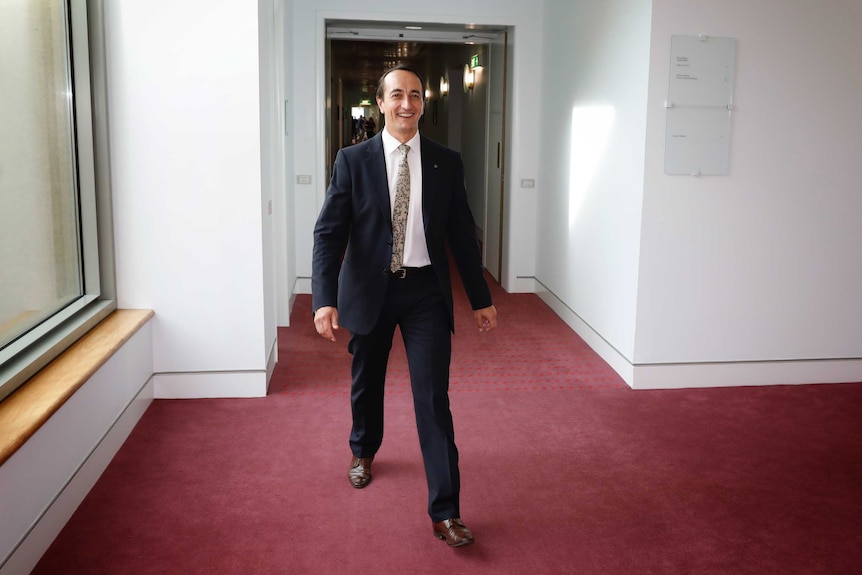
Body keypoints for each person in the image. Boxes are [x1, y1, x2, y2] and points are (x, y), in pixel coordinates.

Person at [312, 65, 497, 547]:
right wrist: (323, 299)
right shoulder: (352, 160)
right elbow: (329, 233)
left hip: (425, 295)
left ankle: (446, 511)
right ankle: (363, 450)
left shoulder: (445, 161)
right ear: (380, 103)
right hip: (369, 291)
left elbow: (461, 234)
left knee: (433, 399)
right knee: (366, 382)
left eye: (415, 95)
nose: (407, 104)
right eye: (397, 95)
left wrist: (480, 298)